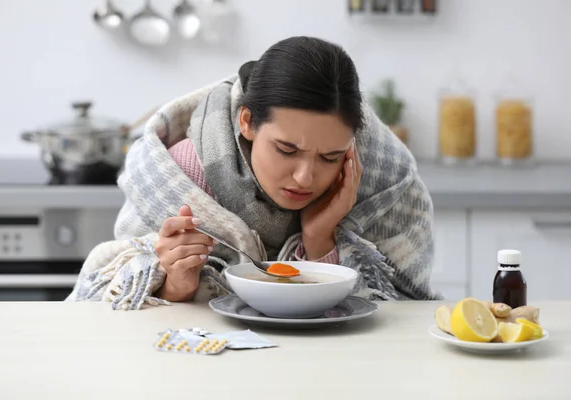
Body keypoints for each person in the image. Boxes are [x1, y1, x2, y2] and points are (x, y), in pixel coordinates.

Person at [66, 36, 442, 310]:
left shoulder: (380, 179)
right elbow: (112, 303)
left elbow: (398, 314)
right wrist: (174, 285)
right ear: (247, 122)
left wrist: (320, 238)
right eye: (286, 150)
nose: (305, 178)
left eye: (330, 157)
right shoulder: (177, 175)